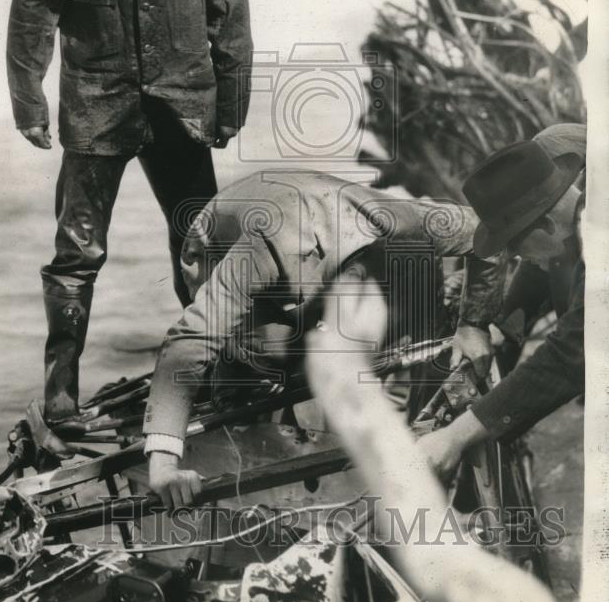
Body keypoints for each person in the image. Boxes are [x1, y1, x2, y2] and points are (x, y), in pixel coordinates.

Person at [6, 0, 253, 421]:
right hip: (96, 109)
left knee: (199, 243)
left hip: (181, 109)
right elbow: (32, 10)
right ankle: (60, 398)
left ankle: (219, 380)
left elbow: (230, 15)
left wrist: (230, 106)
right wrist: (28, 100)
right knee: (76, 254)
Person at [141, 169, 506, 508]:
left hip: (315, 215)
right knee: (265, 355)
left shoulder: (397, 221)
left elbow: (486, 235)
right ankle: (227, 391)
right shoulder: (262, 254)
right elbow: (192, 338)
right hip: (217, 240)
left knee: (356, 352)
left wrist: (473, 325)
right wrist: (163, 462)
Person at [419, 125, 585, 480]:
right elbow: (539, 270)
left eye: (519, 249)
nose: (526, 261)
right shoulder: (568, 223)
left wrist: (455, 436)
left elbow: (573, 354)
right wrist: (499, 327)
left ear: (546, 226)